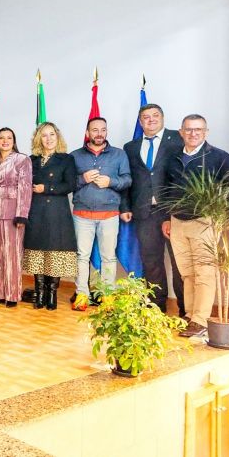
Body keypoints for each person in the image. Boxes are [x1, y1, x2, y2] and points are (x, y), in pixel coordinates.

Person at [163, 114, 229, 337]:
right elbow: (167, 190)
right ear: (181, 132)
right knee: (187, 273)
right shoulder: (173, 158)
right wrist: (167, 218)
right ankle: (190, 315)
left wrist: (225, 220)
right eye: (188, 129)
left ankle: (201, 321)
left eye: (198, 129)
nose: (193, 134)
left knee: (204, 273)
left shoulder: (220, 157)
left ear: (206, 132)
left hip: (205, 222)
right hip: (178, 222)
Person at [120, 104, 184, 315]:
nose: (151, 120)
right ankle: (157, 309)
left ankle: (186, 311)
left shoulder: (178, 139)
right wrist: (125, 206)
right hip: (144, 212)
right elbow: (128, 179)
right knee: (151, 262)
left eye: (155, 115)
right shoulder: (130, 147)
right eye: (146, 117)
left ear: (162, 118)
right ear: (140, 122)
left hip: (174, 211)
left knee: (180, 263)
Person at [70, 117, 132, 311]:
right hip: (82, 214)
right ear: (87, 133)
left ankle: (107, 296)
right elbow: (68, 183)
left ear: (106, 131)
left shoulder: (119, 154)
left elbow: (128, 180)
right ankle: (82, 295)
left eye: (103, 130)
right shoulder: (75, 156)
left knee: (108, 257)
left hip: (109, 214)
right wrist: (82, 178)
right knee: (81, 256)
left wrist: (110, 182)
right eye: (95, 130)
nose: (99, 133)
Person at [22, 122, 77, 310]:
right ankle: (40, 293)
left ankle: (52, 293)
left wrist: (46, 188)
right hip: (36, 211)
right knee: (37, 252)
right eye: (44, 135)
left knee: (55, 253)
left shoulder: (66, 159)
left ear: (57, 136)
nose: (48, 139)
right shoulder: (31, 160)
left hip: (57, 213)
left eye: (52, 134)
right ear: (39, 139)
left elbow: (70, 185)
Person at [0, 128, 32, 307]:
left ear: (14, 141)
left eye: (9, 138)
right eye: (1, 138)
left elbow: (25, 188)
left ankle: (12, 295)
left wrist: (22, 214)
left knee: (12, 255)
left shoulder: (22, 160)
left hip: (12, 212)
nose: (5, 141)